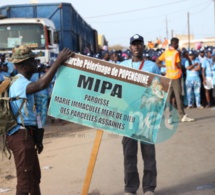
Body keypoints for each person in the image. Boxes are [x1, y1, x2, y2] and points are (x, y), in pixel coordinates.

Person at [6, 45, 73, 195]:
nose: (36, 64)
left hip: (26, 135)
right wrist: (58, 61)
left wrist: (38, 136)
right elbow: (42, 84)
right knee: (24, 182)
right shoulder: (19, 83)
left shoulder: (21, 81)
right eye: (33, 61)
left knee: (34, 177)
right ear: (24, 65)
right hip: (20, 137)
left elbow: (33, 114)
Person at [120, 34, 159, 195]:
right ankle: (130, 188)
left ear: (144, 47)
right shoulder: (121, 66)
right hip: (128, 118)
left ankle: (149, 188)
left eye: (139, 44)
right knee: (129, 155)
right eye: (134, 44)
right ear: (130, 47)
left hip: (146, 118)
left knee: (148, 155)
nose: (136, 47)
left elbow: (159, 91)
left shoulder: (152, 66)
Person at [156, 37, 195, 123]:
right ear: (176, 44)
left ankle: (168, 117)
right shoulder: (176, 53)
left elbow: (157, 62)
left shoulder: (165, 52)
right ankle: (182, 116)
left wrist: (165, 66)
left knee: (169, 97)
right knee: (178, 97)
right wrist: (184, 67)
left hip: (168, 77)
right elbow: (179, 65)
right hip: (176, 77)